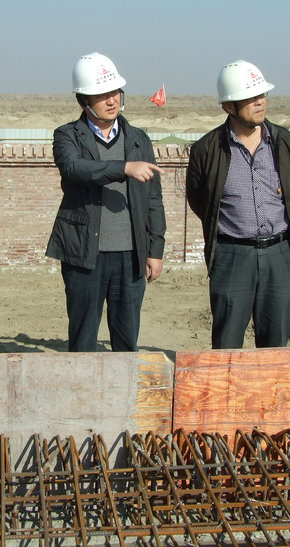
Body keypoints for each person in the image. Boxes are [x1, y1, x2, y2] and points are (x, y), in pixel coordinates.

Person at [46, 52, 166, 352]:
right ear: (83, 100)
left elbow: (153, 199)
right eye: (101, 95)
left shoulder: (138, 139)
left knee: (127, 342)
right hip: (84, 255)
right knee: (83, 340)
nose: (112, 100)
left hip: (131, 256)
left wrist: (155, 250)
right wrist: (124, 168)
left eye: (115, 92)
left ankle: (123, 385)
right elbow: (75, 168)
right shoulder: (67, 136)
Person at [186, 59, 290, 349]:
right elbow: (200, 200)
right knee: (227, 346)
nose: (259, 102)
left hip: (280, 255)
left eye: (261, 94)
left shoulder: (283, 141)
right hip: (232, 257)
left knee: (275, 347)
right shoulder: (207, 149)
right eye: (250, 97)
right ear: (229, 106)